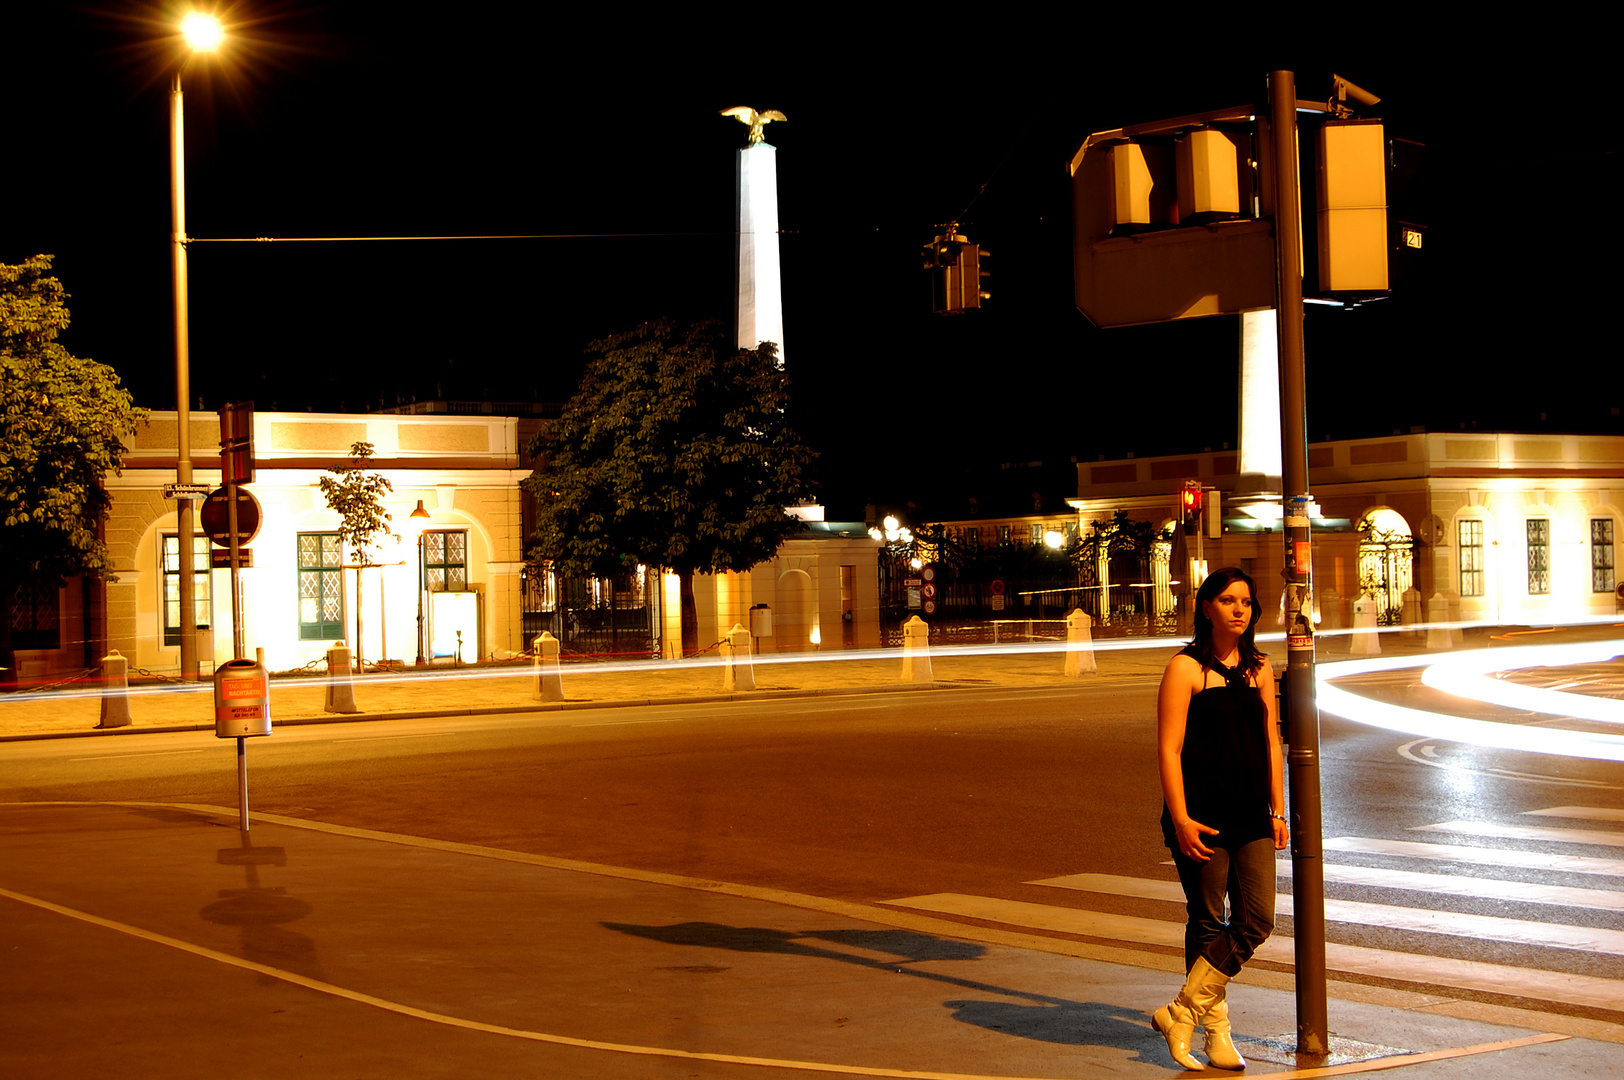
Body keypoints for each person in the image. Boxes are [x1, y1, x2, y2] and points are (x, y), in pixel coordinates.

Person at [1152, 566, 1288, 1071]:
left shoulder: (1261, 668)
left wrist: (1278, 809)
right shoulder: (1185, 669)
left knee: (1257, 919)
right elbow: (1169, 750)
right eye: (1228, 600)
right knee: (1208, 921)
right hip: (1202, 815)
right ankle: (1216, 1034)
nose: (1238, 609)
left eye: (1246, 602)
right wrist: (1181, 818)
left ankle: (1182, 1010)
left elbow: (1271, 742)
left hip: (1252, 814)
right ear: (1206, 607)